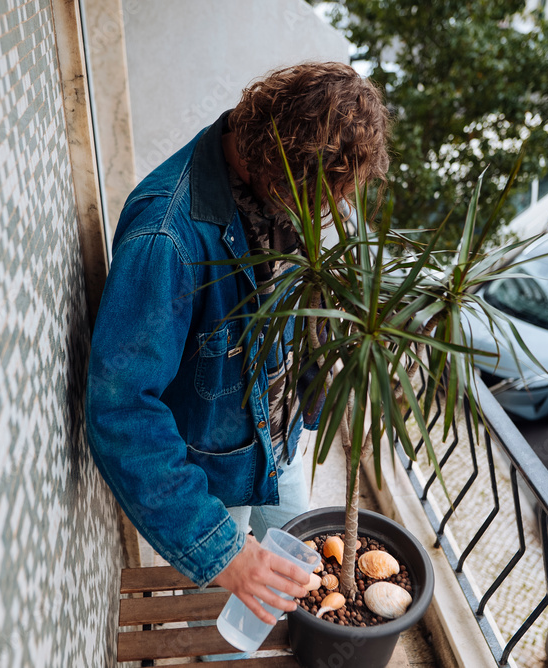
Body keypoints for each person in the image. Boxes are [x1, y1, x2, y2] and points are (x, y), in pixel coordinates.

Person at [86, 61, 389, 626]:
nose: (330, 213)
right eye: (321, 199)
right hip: (213, 479)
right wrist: (222, 551)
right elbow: (121, 409)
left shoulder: (289, 184)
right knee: (225, 629)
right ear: (276, 165)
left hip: (280, 447)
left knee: (297, 596)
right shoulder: (167, 238)